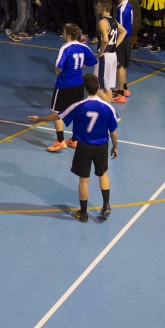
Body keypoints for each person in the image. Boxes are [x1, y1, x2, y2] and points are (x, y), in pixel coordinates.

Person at [28, 74, 119, 222]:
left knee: (84, 180)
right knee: (102, 174)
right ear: (98, 87)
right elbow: (113, 132)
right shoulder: (107, 107)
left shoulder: (79, 106)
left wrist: (40, 119)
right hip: (102, 146)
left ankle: (83, 213)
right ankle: (106, 205)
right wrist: (115, 147)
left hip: (84, 146)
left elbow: (58, 116)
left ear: (85, 88)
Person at [44, 24, 98, 152]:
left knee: (56, 112)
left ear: (68, 36)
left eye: (63, 32)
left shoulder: (65, 48)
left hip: (64, 85)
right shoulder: (84, 47)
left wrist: (58, 71)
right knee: (77, 112)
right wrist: (78, 66)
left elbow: (58, 66)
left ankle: (60, 141)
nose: (62, 34)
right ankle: (74, 140)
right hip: (78, 85)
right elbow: (93, 61)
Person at [95, 0, 125, 103]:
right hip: (113, 55)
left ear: (103, 8)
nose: (96, 7)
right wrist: (114, 45)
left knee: (96, 85)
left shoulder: (102, 22)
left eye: (98, 6)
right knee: (108, 86)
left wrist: (100, 53)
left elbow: (105, 40)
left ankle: (107, 104)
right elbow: (123, 32)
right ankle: (109, 106)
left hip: (105, 56)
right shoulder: (113, 20)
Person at [114, 0, 134, 97]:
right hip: (128, 38)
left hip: (122, 39)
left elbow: (120, 29)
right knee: (123, 65)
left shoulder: (121, 9)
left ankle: (120, 93)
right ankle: (125, 88)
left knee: (119, 66)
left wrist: (115, 44)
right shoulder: (129, 5)